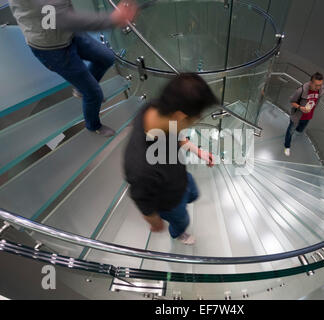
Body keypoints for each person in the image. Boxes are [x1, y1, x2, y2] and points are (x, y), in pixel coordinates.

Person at [8, 0, 139, 137]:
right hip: (52, 50)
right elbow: (59, 17)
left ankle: (81, 90)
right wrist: (112, 19)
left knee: (106, 57)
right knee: (94, 94)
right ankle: (93, 125)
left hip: (68, 33)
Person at [124, 73, 218, 245]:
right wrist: (155, 222)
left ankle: (183, 208)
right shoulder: (141, 167)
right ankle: (179, 233)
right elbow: (142, 201)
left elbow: (176, 134)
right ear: (180, 117)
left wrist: (199, 152)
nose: (195, 123)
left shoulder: (154, 109)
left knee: (194, 194)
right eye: (196, 119)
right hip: (169, 202)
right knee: (182, 220)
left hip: (181, 178)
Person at [284, 72, 324, 156]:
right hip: (297, 117)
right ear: (311, 83)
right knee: (290, 131)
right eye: (316, 85)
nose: (318, 87)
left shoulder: (321, 90)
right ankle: (287, 146)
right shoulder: (301, 90)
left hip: (308, 116)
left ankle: (298, 130)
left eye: (320, 85)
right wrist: (300, 108)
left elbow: (317, 101)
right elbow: (292, 102)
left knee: (300, 129)